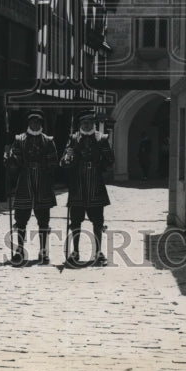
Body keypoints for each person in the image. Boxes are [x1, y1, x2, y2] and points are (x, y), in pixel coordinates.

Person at [3, 109, 59, 265]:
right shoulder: (19, 139)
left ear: (41, 124)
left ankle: (43, 251)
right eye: (33, 122)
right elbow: (15, 163)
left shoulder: (48, 141)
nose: (35, 124)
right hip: (25, 181)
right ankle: (19, 250)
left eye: (38, 122)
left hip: (42, 182)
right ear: (28, 123)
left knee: (43, 220)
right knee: (21, 219)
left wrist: (47, 164)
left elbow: (54, 161)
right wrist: (9, 158)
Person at [61, 109, 115, 267]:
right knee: (75, 221)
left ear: (94, 123)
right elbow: (63, 162)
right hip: (77, 185)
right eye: (84, 122)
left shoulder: (102, 138)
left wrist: (100, 167)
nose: (87, 125)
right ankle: (75, 251)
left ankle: (98, 252)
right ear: (80, 124)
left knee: (97, 221)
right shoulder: (73, 138)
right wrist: (67, 159)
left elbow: (110, 159)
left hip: (95, 185)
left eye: (90, 122)